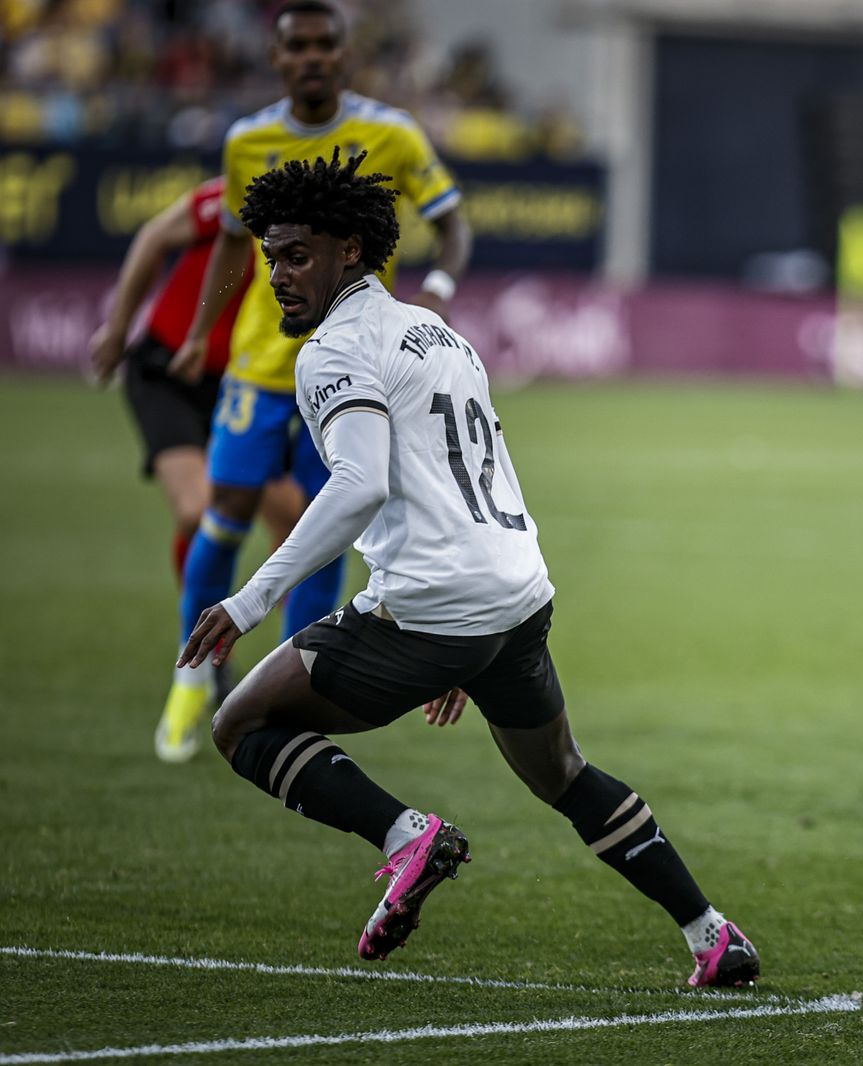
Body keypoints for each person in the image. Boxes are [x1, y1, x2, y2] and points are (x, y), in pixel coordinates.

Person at [178, 149, 760, 987]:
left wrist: (250, 599)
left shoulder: (334, 350)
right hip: (514, 594)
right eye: (272, 258)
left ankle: (405, 836)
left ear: (351, 249)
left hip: (439, 605)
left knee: (240, 723)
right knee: (563, 774)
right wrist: (468, 646)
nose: (279, 276)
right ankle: (711, 932)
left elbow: (360, 485)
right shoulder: (440, 332)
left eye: (297, 255)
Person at [157, 0, 474, 765]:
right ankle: (191, 677)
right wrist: (202, 331)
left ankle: (285, 685)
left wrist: (437, 287)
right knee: (225, 514)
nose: (310, 57)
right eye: (295, 45)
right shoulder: (248, 140)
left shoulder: (393, 134)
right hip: (261, 366)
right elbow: (230, 247)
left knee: (326, 521)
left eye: (323, 44)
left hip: (355, 366)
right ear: (276, 57)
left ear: (344, 54)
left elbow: (453, 222)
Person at [89, 177, 305, 760]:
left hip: (244, 383)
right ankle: (202, 657)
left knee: (297, 521)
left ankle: (271, 665)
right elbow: (154, 235)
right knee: (198, 508)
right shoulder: (242, 189)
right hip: (171, 371)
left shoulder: (315, 211)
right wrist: (118, 328)